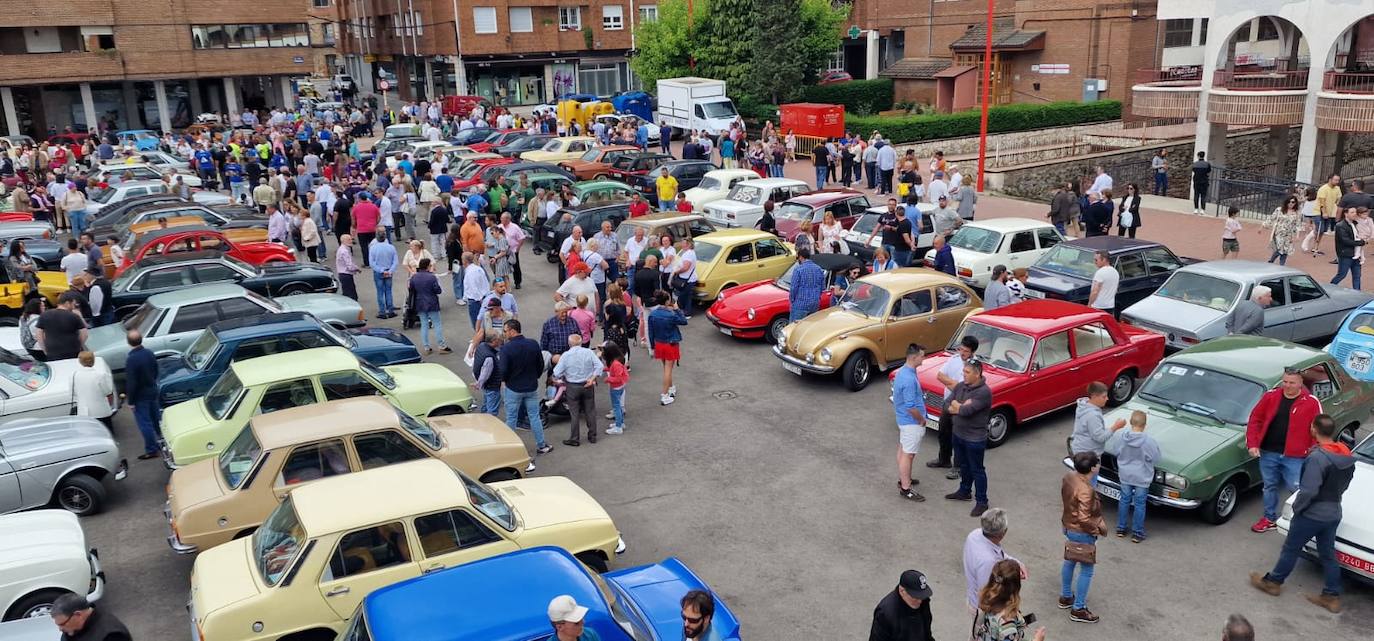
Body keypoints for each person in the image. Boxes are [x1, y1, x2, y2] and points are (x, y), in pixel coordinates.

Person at [1249, 413, 1354, 614]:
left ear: (1314, 429)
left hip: (1312, 513)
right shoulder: (1345, 453)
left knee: (1291, 548)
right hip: (1333, 511)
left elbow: (1309, 490)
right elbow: (1345, 483)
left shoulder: (1318, 458)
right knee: (1328, 553)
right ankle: (1331, 596)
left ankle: (1273, 582)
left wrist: (1298, 508)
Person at [1245, 367, 1322, 533]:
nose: (1287, 386)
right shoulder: (1270, 396)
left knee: (1297, 489)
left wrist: (1312, 449)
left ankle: (1302, 520)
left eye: (1292, 383)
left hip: (1295, 456)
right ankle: (1269, 518)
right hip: (1268, 452)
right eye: (1285, 382)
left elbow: (1318, 428)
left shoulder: (1311, 402)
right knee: (1269, 486)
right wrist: (1252, 443)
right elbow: (1255, 419)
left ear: (1301, 383)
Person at [1061, 450, 1107, 623]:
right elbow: (1084, 518)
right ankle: (1078, 608)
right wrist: (1098, 529)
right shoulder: (1087, 490)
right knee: (1087, 570)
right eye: (1098, 463)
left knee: (1069, 560)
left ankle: (1065, 596)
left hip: (1068, 526)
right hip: (1082, 532)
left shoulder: (1069, 477)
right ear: (1093, 468)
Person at [498, 319, 552, 457]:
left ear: (512, 330)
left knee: (511, 418)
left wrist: (504, 381)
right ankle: (541, 445)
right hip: (531, 386)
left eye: (505, 331)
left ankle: (509, 448)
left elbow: (503, 369)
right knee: (534, 417)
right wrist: (534, 377)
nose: (504, 334)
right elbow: (540, 364)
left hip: (513, 388)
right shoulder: (533, 344)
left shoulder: (506, 349)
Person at [945, 359, 992, 516]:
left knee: (977, 469)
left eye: (967, 372)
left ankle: (982, 502)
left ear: (977, 374)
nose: (963, 375)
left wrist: (958, 406)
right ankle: (964, 491)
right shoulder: (960, 386)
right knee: (963, 465)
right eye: (963, 371)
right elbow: (946, 405)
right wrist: (960, 406)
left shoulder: (984, 392)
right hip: (958, 434)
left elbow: (967, 411)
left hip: (974, 438)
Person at [1108, 409, 1159, 542]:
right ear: (1144, 425)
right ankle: (1137, 532)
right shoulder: (1149, 442)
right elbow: (1156, 457)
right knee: (1140, 504)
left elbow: (1115, 451)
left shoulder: (1122, 438)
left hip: (1125, 475)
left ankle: (1121, 528)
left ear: (1130, 422)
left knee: (1124, 500)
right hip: (1142, 477)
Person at [928, 335, 976, 475]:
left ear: (972, 352)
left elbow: (963, 388)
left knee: (959, 437)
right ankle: (944, 459)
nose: (962, 353)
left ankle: (959, 466)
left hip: (961, 406)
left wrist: (951, 384)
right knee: (943, 432)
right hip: (948, 402)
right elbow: (939, 375)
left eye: (966, 351)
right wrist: (954, 385)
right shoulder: (954, 359)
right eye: (961, 349)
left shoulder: (974, 366)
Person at [964, 508, 1026, 611]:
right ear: (1002, 533)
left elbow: (1000, 554)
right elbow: (987, 591)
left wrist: (1016, 563)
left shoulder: (975, 534)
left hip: (974, 598)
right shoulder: (988, 562)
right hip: (984, 608)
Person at [973, 559, 1046, 641]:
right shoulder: (1008, 627)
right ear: (1016, 589)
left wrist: (1021, 621)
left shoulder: (988, 602)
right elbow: (1006, 631)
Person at [553, 333, 603, 446]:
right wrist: (592, 378)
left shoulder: (566, 355)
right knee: (590, 411)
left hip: (572, 386)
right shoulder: (588, 352)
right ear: (581, 342)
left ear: (569, 343)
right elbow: (599, 366)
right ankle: (592, 436)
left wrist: (560, 378)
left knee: (574, 413)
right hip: (587, 384)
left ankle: (574, 438)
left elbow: (556, 372)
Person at [891, 345, 927, 501]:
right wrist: (921, 419)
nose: (923, 358)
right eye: (922, 356)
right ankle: (906, 487)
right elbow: (910, 406)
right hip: (911, 423)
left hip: (903, 420)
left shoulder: (903, 372)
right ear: (914, 358)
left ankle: (904, 478)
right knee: (908, 455)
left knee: (903, 450)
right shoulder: (909, 378)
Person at [867, 569, 935, 641]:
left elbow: (927, 634)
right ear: (902, 591)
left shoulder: (923, 602)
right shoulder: (885, 613)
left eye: (922, 595)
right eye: (915, 596)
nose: (920, 600)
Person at [124, 330, 161, 460]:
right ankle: (163, 441)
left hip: (140, 396)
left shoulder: (131, 359)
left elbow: (132, 382)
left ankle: (152, 449)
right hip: (152, 390)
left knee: (145, 423)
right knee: (157, 419)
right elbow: (156, 371)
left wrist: (131, 401)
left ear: (128, 342)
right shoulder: (149, 353)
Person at [647, 290, 687, 406]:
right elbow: (683, 321)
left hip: (659, 343)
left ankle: (670, 388)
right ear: (667, 301)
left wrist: (652, 347)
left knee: (665, 367)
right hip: (670, 344)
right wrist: (677, 309)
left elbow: (650, 332)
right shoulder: (671, 315)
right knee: (668, 370)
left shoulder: (653, 314)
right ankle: (664, 395)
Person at [1070, 381, 1127, 456]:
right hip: (1088, 455)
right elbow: (1100, 438)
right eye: (1104, 396)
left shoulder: (1083, 406)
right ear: (1094, 396)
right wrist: (1115, 427)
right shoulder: (1092, 415)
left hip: (1079, 449)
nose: (1107, 399)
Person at [409, 258, 450, 354]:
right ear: (427, 266)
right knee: (437, 323)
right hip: (432, 302)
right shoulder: (432, 277)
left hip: (420, 303)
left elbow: (411, 289)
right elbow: (438, 290)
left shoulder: (414, 277)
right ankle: (441, 345)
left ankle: (426, 347)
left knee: (424, 324)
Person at [50, 593, 130, 641]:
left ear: (78, 615)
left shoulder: (112, 635)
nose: (60, 629)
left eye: (62, 624)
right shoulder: (73, 628)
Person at [35, 292, 87, 361]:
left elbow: (38, 334)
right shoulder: (74, 316)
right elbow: (84, 334)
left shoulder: (45, 315)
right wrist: (79, 345)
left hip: (52, 351)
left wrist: (44, 349)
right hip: (72, 351)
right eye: (73, 304)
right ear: (67, 303)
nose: (74, 307)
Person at [73, 351, 115, 430]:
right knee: (106, 432)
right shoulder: (100, 375)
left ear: (80, 362)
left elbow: (73, 393)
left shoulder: (74, 376)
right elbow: (108, 391)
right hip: (101, 410)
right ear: (93, 360)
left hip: (84, 411)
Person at [788, 247, 826, 322]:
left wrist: (792, 300)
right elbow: (822, 287)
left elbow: (793, 288)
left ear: (801, 257)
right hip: (814, 304)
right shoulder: (819, 269)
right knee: (809, 329)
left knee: (795, 328)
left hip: (800, 304)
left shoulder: (798, 269)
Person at [1331, 206, 1364, 289]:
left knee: (1357, 276)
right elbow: (1345, 241)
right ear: (1346, 214)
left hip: (1356, 254)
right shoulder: (1340, 226)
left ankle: (1357, 293)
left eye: (1355, 212)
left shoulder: (1355, 224)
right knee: (1342, 275)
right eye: (1352, 212)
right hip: (1345, 254)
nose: (1354, 214)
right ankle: (1330, 287)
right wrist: (1360, 243)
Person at [472, 330, 504, 416]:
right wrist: (479, 384)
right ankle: (489, 426)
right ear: (494, 341)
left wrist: (478, 382)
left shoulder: (481, 346)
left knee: (485, 405)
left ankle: (482, 421)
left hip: (486, 385)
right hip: (492, 385)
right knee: (492, 411)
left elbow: (476, 364)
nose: (501, 340)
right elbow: (485, 374)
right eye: (499, 339)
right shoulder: (489, 357)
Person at [368, 229, 398, 318]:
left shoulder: (373, 248)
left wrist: (381, 270)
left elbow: (372, 263)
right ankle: (390, 310)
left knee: (380, 292)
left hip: (378, 272)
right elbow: (395, 261)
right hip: (389, 271)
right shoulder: (391, 247)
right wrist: (390, 271)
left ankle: (382, 312)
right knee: (388, 291)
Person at [1263, 195, 1302, 265]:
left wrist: (1297, 236)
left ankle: (1281, 265)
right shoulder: (1279, 210)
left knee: (1285, 250)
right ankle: (1272, 260)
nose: (1291, 203)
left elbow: (1298, 224)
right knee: (1278, 249)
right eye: (1289, 202)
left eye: (1293, 202)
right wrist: (1264, 225)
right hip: (1278, 233)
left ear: (1295, 203)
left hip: (1289, 235)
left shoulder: (1297, 213)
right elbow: (1272, 218)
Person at [602, 343, 629, 435]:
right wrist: (605, 369)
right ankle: (620, 423)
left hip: (616, 388)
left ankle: (618, 427)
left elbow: (618, 378)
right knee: (618, 406)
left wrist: (608, 379)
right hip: (620, 386)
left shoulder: (615, 364)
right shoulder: (617, 361)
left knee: (616, 406)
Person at [463, 252, 492, 327]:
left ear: (465, 261)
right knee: (485, 321)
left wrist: (480, 299)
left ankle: (481, 338)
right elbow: (486, 283)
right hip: (483, 297)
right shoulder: (478, 268)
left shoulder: (470, 272)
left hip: (475, 301)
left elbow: (473, 287)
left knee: (477, 324)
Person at [1088, 250, 1118, 318]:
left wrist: (1089, 304)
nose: (1095, 262)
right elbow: (1115, 290)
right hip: (1110, 306)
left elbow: (1095, 291)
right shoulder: (1115, 272)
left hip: (1098, 306)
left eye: (1096, 260)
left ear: (1104, 259)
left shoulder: (1100, 272)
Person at [336, 234, 360, 300]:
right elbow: (349, 265)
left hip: (343, 274)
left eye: (351, 239)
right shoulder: (344, 251)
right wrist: (357, 268)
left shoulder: (342, 249)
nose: (351, 241)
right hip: (346, 274)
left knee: (348, 292)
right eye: (348, 240)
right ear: (343, 241)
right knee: (351, 295)